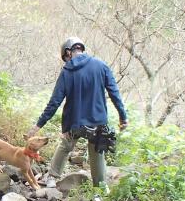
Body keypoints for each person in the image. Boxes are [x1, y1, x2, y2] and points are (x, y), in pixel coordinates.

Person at [27, 37, 127, 189]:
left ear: (69, 52)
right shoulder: (101, 66)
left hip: (74, 122)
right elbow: (115, 93)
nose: (67, 62)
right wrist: (123, 117)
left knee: (65, 146)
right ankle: (100, 188)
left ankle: (52, 178)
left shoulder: (67, 72)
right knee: (97, 150)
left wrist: (38, 125)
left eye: (66, 58)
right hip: (97, 121)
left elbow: (55, 102)